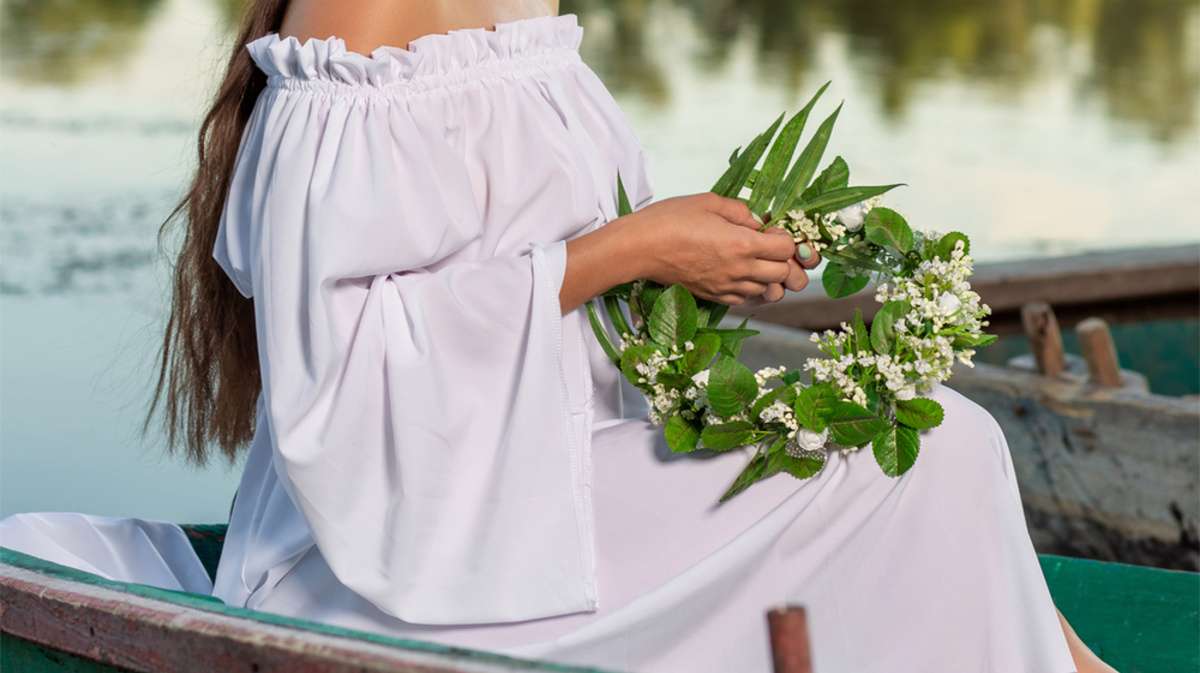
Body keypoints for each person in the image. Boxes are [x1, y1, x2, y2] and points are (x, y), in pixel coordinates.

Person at [0, 1, 1116, 671]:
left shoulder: (525, 12)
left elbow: (559, 274)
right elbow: (343, 360)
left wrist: (703, 269)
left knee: (941, 447)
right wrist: (634, 251)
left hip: (553, 464)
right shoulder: (360, 20)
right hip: (403, 538)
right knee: (942, 450)